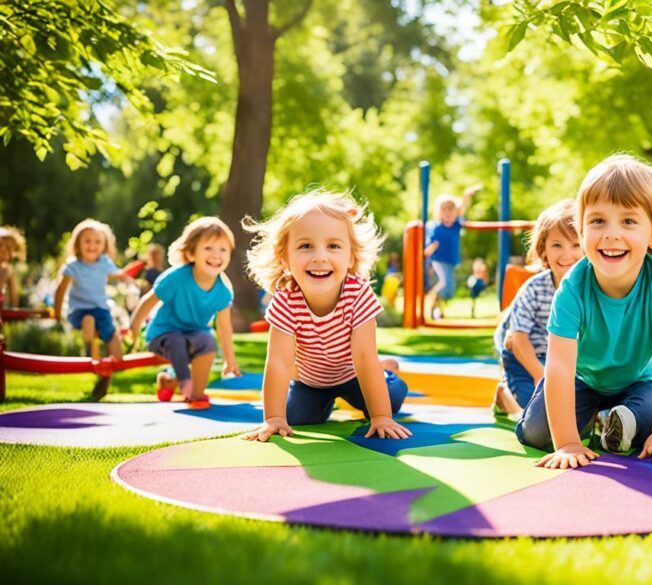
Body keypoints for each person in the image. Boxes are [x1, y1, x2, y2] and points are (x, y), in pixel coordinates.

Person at [515, 154, 652, 469]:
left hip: (642, 380)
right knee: (535, 434)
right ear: (582, 230)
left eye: (628, 221)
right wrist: (568, 444)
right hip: (582, 379)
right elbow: (558, 367)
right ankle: (585, 422)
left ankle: (618, 423)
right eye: (598, 221)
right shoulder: (573, 287)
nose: (611, 234)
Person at [242, 189, 411, 443]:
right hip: (311, 382)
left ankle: (387, 369)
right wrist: (273, 418)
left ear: (351, 255)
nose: (320, 257)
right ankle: (325, 402)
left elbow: (365, 358)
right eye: (305, 246)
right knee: (296, 416)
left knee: (392, 399)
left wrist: (381, 417)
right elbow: (278, 361)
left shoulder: (357, 293)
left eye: (333, 246)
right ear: (285, 257)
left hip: (353, 374)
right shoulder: (286, 300)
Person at [129, 217, 240, 408]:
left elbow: (223, 327)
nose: (216, 255)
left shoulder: (223, 290)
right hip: (162, 334)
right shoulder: (176, 277)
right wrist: (133, 330)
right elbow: (148, 302)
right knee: (176, 341)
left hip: (195, 336)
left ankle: (192, 391)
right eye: (208, 248)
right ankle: (185, 384)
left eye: (223, 249)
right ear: (191, 253)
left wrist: (229, 361)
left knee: (208, 341)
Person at [492, 199, 582, 419]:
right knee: (540, 411)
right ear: (543, 249)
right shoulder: (534, 288)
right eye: (557, 245)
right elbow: (517, 339)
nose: (566, 254)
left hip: (564, 361)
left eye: (575, 245)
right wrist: (540, 375)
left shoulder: (591, 289)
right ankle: (505, 396)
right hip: (524, 358)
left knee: (574, 409)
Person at [53, 219, 134, 360]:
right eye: (87, 241)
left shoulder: (104, 263)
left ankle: (116, 361)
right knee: (89, 319)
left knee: (111, 332)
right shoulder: (73, 266)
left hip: (101, 310)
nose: (92, 245)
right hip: (79, 311)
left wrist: (128, 280)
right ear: (78, 243)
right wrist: (57, 315)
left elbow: (118, 274)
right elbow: (61, 290)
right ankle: (90, 354)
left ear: (104, 246)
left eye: (98, 242)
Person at [424, 185, 481, 320]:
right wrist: (428, 251)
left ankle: (437, 307)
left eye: (451, 209)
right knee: (444, 283)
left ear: (455, 211)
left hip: (450, 259)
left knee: (449, 289)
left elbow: (463, 208)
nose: (448, 212)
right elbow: (431, 243)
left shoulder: (456, 225)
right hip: (438, 260)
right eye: (444, 210)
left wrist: (466, 196)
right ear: (439, 212)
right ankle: (432, 300)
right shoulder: (436, 227)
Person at [0, 225, 26, 307]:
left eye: (8, 248)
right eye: (0, 245)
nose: (3, 250)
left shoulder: (6, 270)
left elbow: (14, 303)